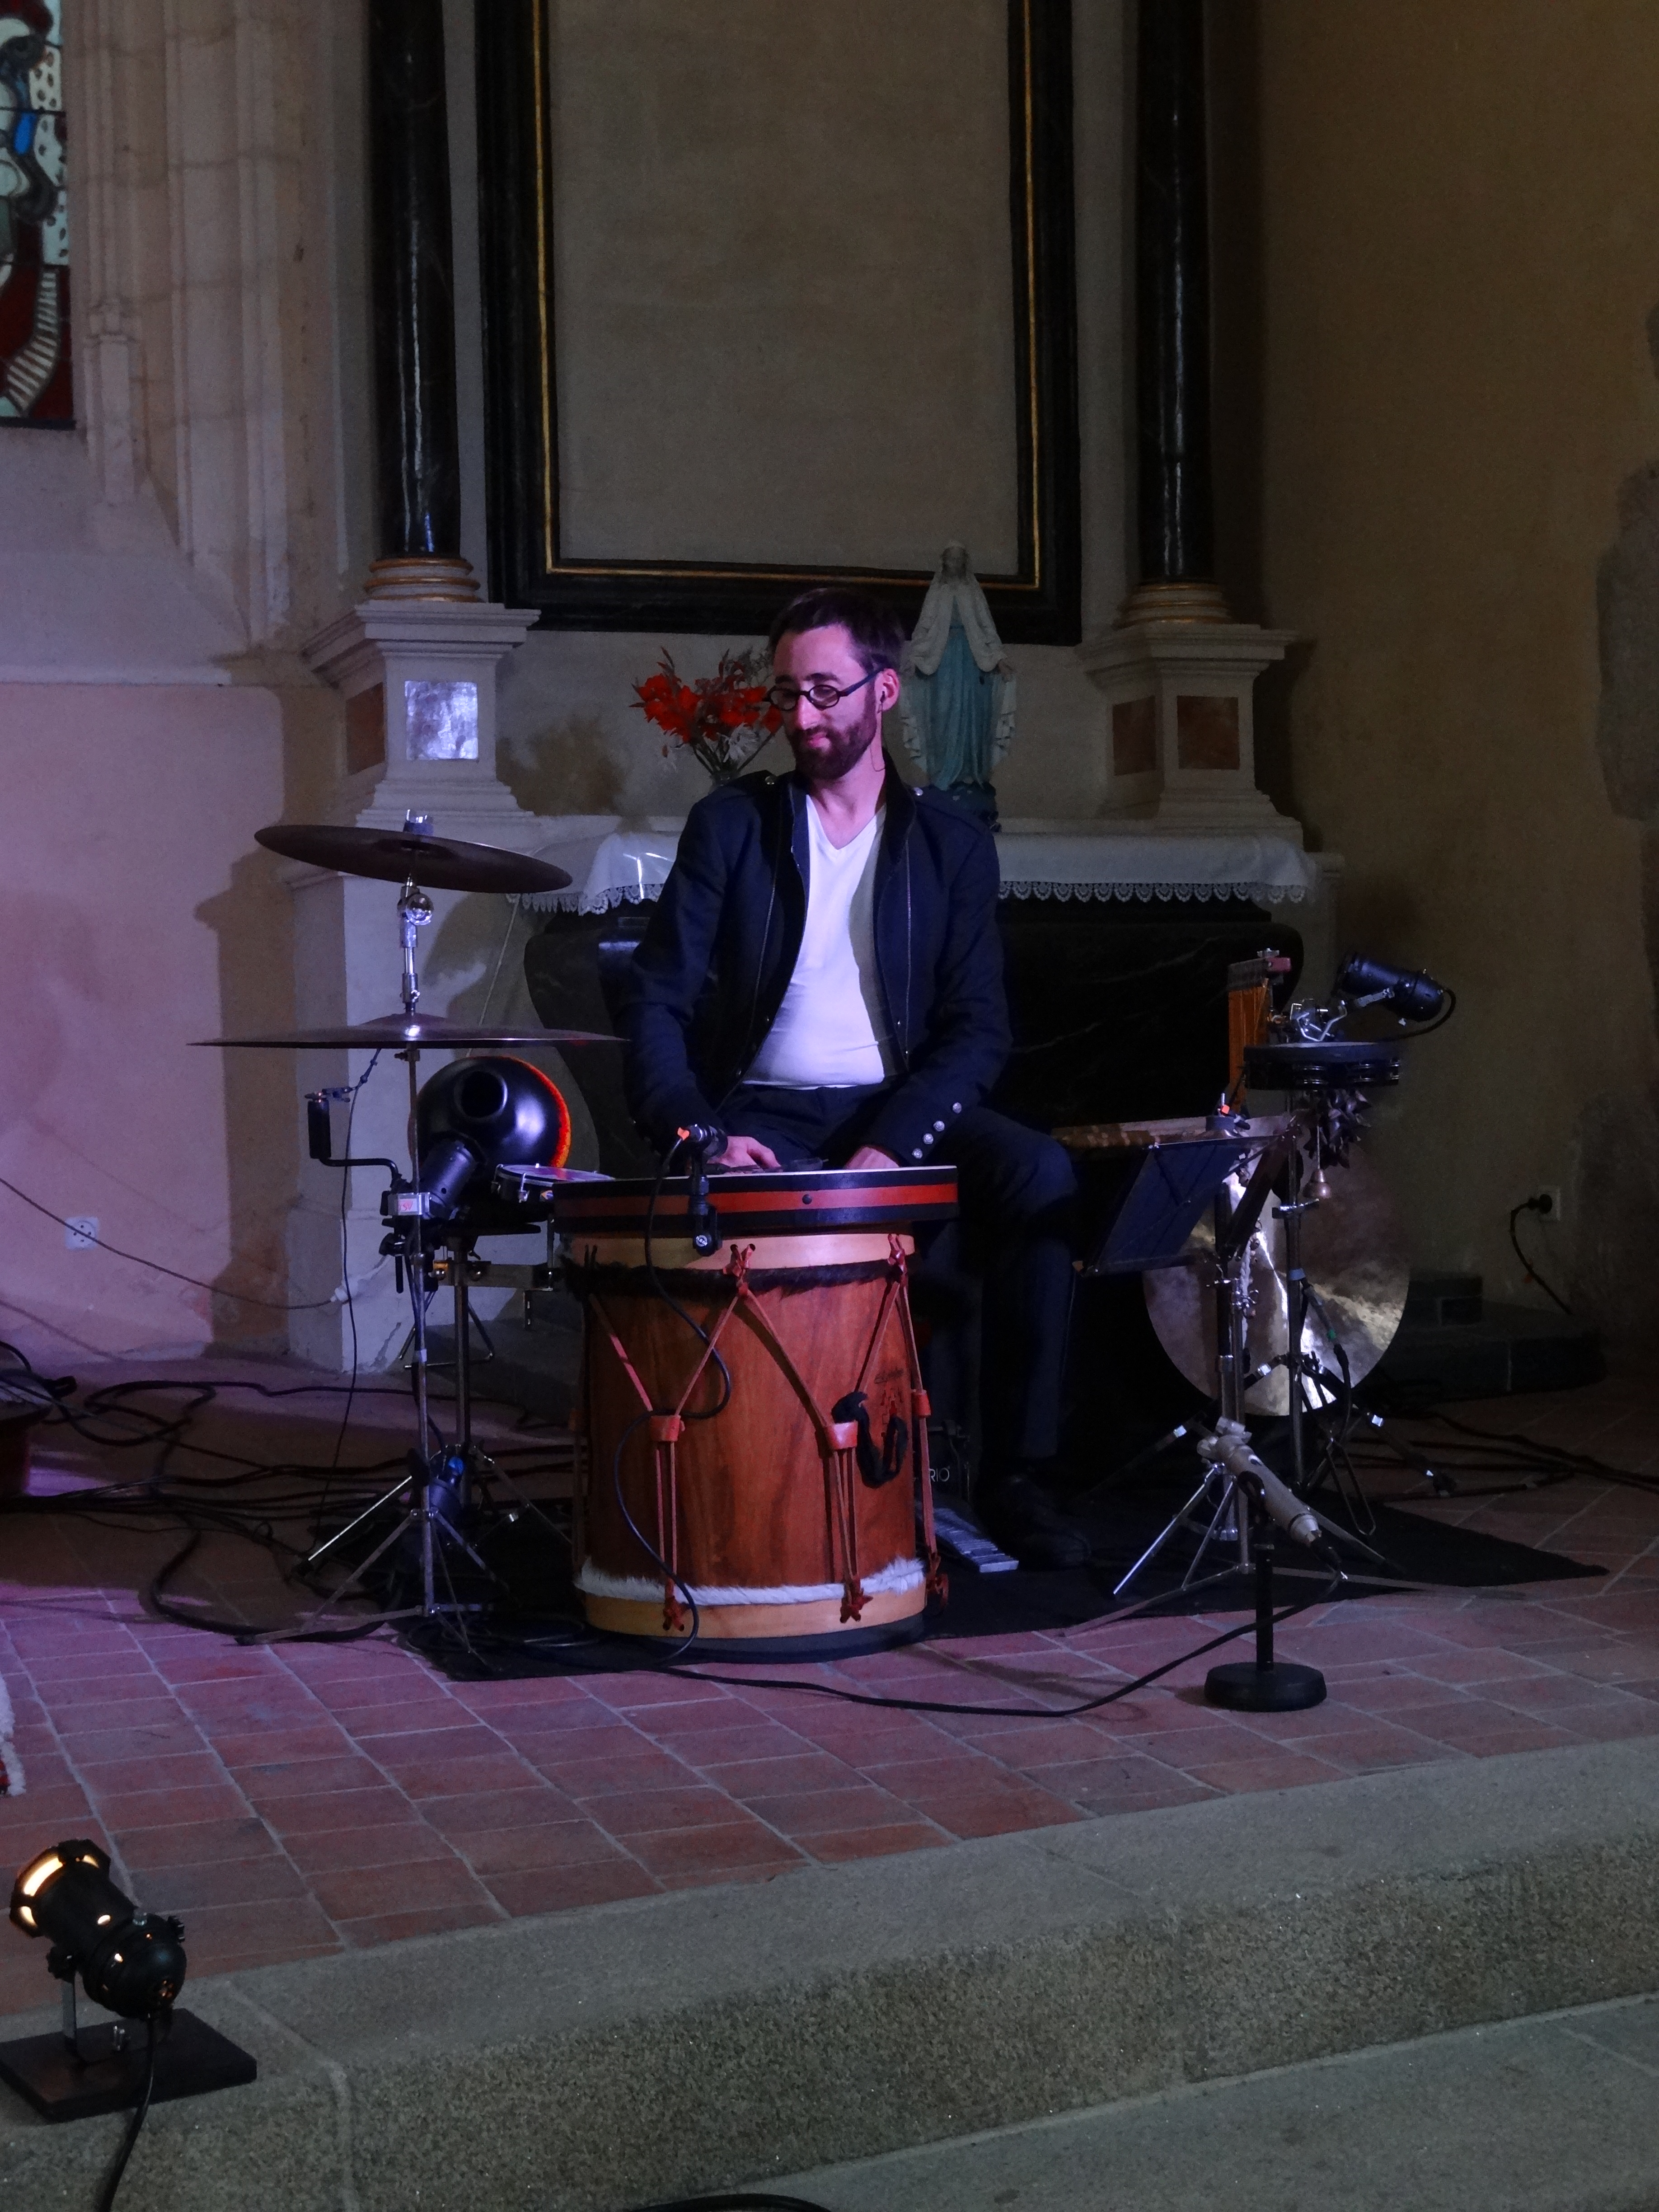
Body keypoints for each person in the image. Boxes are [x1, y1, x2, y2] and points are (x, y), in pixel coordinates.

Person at [622, 585, 1086, 1569]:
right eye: (787, 694)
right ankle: (783, 1480)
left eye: (824, 692)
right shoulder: (733, 826)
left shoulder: (950, 843)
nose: (801, 717)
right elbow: (657, 1000)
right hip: (762, 1114)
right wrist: (700, 1133)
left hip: (893, 1109)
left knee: (1039, 1174)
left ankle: (1018, 1476)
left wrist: (891, 1143)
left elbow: (979, 1028)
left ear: (884, 692)